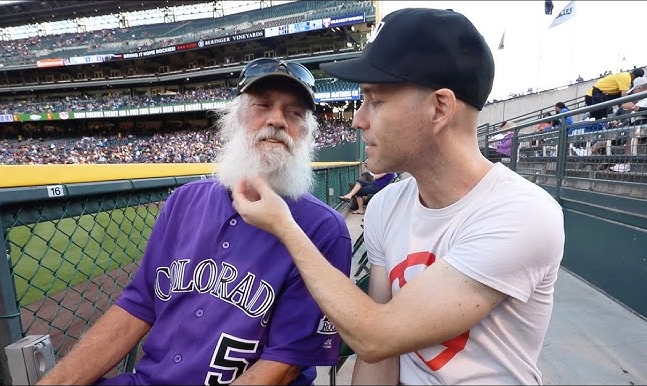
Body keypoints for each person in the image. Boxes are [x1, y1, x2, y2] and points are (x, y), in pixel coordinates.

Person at [232, 8, 564, 385]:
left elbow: (374, 336)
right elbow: (381, 359)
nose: (359, 119)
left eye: (375, 100)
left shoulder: (522, 214)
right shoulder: (387, 205)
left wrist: (285, 226)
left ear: (439, 108)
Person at [37, 58, 352, 385]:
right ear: (235, 117)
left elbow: (285, 365)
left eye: (295, 113)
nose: (277, 120)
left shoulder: (323, 230)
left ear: (307, 131)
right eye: (262, 105)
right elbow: (137, 307)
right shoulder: (184, 201)